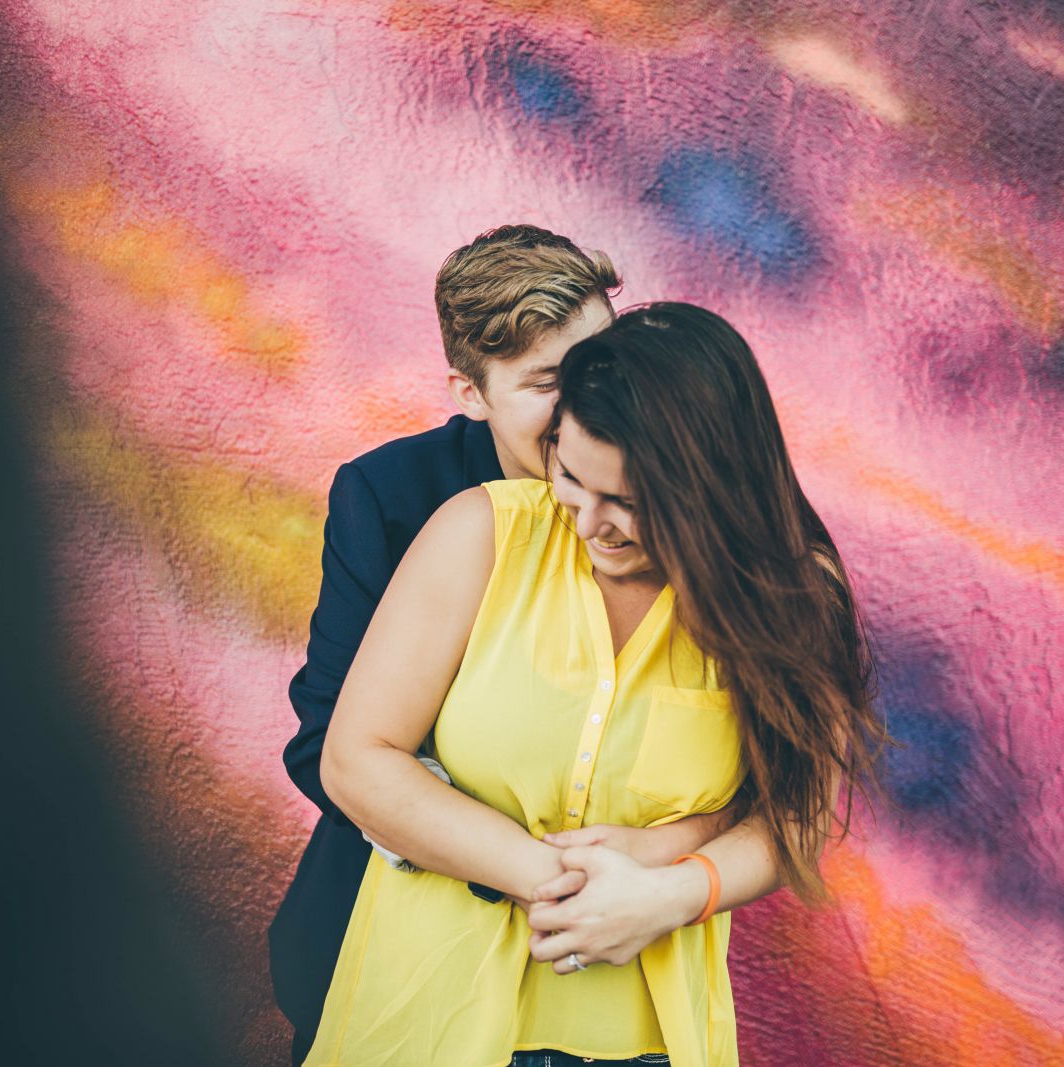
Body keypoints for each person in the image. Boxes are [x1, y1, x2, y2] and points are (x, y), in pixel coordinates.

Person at [308, 303, 884, 1066]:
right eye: (570, 475)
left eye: (629, 504)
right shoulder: (477, 533)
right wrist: (567, 885)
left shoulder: (793, 594)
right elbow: (356, 758)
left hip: (648, 1041)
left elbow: (797, 812)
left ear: (712, 493)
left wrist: (672, 895)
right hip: (426, 1021)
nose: (586, 521)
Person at [269, 229, 730, 1063]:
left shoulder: (694, 510)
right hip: (391, 952)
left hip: (614, 988)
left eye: (599, 360)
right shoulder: (400, 496)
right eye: (548, 383)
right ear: (471, 393)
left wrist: (657, 865)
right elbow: (329, 741)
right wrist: (539, 869)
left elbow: (782, 785)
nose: (585, 400)